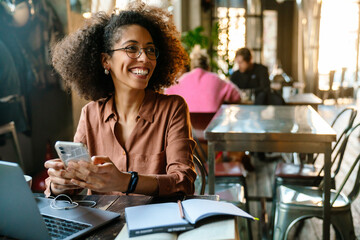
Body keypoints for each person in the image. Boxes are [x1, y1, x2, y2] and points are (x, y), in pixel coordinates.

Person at [44, 1, 196, 197]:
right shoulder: (90, 114)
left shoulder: (172, 109)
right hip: (103, 223)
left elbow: (183, 182)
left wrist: (127, 181)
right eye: (132, 48)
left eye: (150, 50)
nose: (145, 58)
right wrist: (59, 184)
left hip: (155, 223)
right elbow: (77, 183)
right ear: (106, 61)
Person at [165, 45, 241, 113]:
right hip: (212, 126)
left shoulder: (181, 81)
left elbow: (166, 96)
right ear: (208, 67)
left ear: (192, 67)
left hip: (187, 125)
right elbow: (237, 97)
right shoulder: (217, 80)